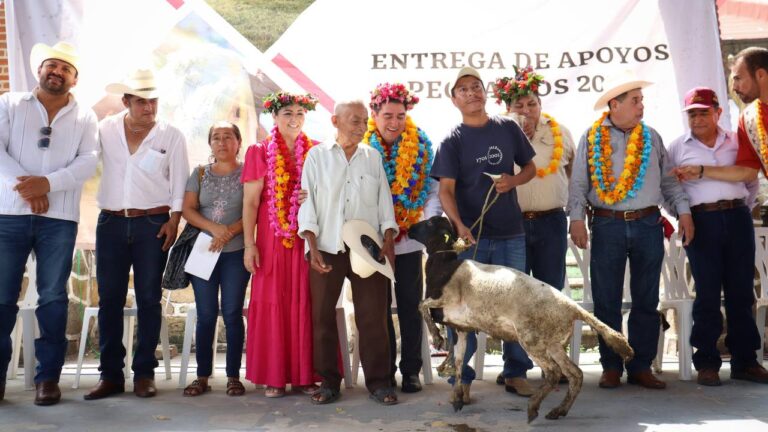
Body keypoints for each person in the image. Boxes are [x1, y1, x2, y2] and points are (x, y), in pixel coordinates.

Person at [567, 71, 693, 390]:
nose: (641, 106)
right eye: (635, 101)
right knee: (607, 299)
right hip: (607, 223)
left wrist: (684, 213)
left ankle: (641, 366)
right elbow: (579, 184)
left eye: (641, 100)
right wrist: (577, 219)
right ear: (615, 105)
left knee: (646, 299)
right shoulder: (591, 137)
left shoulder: (651, 136)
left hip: (648, 223)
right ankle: (611, 366)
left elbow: (667, 182)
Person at [0, 41, 98, 406]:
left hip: (58, 218)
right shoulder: (9, 103)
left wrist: (49, 184)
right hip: (8, 214)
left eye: (65, 69)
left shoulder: (85, 116)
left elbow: (87, 160)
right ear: (40, 71)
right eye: (51, 66)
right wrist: (28, 187)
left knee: (54, 297)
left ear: (74, 79)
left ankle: (48, 380)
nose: (56, 72)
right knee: (1, 297)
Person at [431, 66, 537, 397]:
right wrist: (460, 225)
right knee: (463, 309)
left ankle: (516, 371)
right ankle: (459, 377)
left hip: (510, 233)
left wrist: (514, 181)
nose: (472, 92)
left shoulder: (507, 128)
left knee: (516, 304)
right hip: (471, 239)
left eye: (476, 86)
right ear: (454, 99)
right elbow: (445, 190)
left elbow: (530, 168)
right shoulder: (451, 140)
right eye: (463, 89)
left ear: (485, 92)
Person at [84, 69, 189, 400]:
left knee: (148, 298)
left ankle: (144, 373)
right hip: (111, 223)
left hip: (152, 224)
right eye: (141, 101)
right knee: (110, 300)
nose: (149, 107)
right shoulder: (105, 129)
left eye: (153, 100)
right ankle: (111, 375)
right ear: (126, 101)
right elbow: (82, 161)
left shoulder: (171, 135)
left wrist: (174, 221)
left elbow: (180, 182)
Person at [298, 99, 399, 406]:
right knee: (322, 317)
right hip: (327, 247)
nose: (362, 126)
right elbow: (308, 204)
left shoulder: (372, 157)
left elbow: (384, 201)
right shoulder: (316, 157)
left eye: (364, 120)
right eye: (355, 120)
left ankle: (380, 383)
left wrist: (389, 236)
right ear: (335, 121)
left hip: (366, 248)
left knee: (373, 317)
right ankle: (328, 381)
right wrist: (311, 246)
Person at [669, 86, 768, 386]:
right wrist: (685, 215)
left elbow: (750, 179)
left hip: (737, 217)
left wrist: (736, 206)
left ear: (718, 112)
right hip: (701, 221)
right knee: (707, 293)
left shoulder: (737, 141)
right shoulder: (677, 146)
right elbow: (670, 188)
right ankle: (707, 362)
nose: (697, 119)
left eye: (703, 112)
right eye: (692, 113)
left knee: (741, 291)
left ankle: (745, 361)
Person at [364, 83, 442, 393]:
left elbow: (433, 192)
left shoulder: (422, 146)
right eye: (387, 116)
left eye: (400, 115)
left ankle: (411, 370)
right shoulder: (363, 148)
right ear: (375, 114)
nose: (394, 122)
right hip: (371, 242)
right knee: (377, 307)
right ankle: (383, 372)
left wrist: (423, 221)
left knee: (411, 306)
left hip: (409, 241)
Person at [242, 92, 320, 398]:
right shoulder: (259, 152)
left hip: (305, 239)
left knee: (306, 301)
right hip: (271, 240)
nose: (294, 119)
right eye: (287, 113)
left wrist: (312, 197)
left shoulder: (315, 151)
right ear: (274, 117)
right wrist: (250, 244)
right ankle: (274, 376)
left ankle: (305, 375)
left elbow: (327, 195)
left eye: (300, 113)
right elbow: (250, 203)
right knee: (273, 301)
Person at [181, 121, 250, 397]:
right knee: (206, 313)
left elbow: (254, 208)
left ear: (238, 142)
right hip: (204, 252)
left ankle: (233, 375)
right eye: (216, 138)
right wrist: (215, 229)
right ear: (210, 144)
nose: (222, 142)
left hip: (235, 253)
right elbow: (188, 209)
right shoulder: (198, 174)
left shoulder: (249, 173)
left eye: (228, 137)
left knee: (232, 312)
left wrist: (230, 231)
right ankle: (202, 376)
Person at [495, 67, 576, 291]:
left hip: (551, 223)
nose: (526, 111)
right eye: (519, 106)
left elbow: (575, 177)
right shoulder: (496, 134)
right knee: (515, 293)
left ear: (540, 105)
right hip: (511, 224)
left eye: (532, 104)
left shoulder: (560, 132)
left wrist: (578, 217)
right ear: (507, 108)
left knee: (550, 292)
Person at [729, 47, 768, 181]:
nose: (734, 87)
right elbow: (748, 170)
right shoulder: (747, 119)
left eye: (738, 78)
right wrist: (702, 171)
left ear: (760, 75)